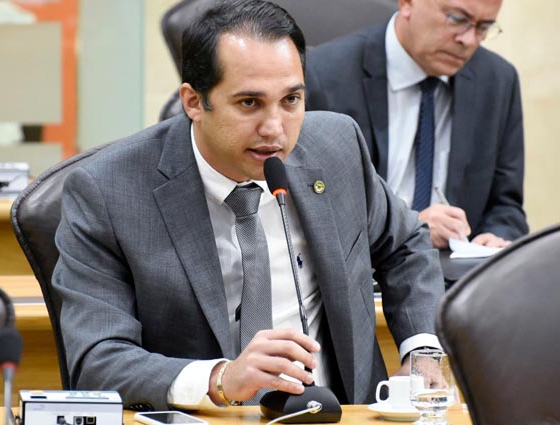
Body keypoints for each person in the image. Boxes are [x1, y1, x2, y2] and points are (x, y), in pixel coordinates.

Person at [52, 0, 443, 410]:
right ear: (193, 102)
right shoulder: (109, 191)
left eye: (290, 100)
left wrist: (422, 351)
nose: (274, 129)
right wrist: (220, 377)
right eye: (249, 103)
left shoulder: (336, 147)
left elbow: (407, 245)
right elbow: (97, 360)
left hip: (340, 414)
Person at [306, 0, 528, 249]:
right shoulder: (324, 74)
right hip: (369, 266)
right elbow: (312, 210)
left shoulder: (498, 80)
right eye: (457, 19)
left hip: (459, 266)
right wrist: (410, 228)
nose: (468, 40)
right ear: (407, 4)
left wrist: (497, 237)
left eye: (483, 27)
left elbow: (506, 206)